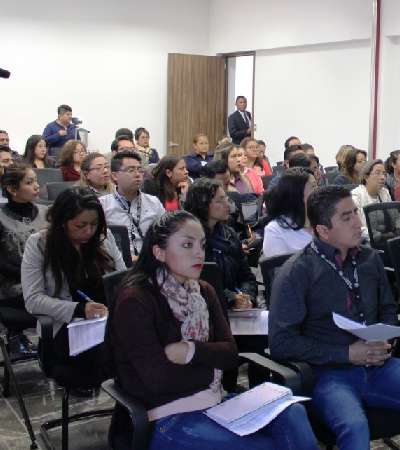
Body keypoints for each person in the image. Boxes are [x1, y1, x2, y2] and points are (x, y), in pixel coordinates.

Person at [269, 185, 400, 450]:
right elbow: (281, 342)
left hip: (380, 365)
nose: (358, 222)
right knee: (355, 427)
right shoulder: (297, 272)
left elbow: (388, 308)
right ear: (323, 231)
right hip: (330, 374)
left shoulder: (369, 258)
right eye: (346, 217)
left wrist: (384, 337)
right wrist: (346, 354)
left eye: (355, 212)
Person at [108, 211, 318, 450]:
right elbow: (157, 380)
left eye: (202, 244)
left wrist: (191, 352)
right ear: (159, 252)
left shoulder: (204, 291)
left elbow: (229, 355)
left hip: (217, 401)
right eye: (188, 244)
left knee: (293, 413)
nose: (199, 252)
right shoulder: (136, 300)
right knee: (265, 446)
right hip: (167, 415)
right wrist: (210, 367)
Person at [22, 187, 126, 387]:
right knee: (119, 354)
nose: (88, 231)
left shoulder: (104, 238)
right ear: (62, 222)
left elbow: (122, 280)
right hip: (66, 329)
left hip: (107, 322)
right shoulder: (39, 245)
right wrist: (78, 309)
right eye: (80, 225)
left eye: (94, 224)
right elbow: (33, 300)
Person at [185, 179, 257, 310]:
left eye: (226, 199)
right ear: (202, 205)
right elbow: (195, 284)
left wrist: (247, 297)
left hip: (235, 308)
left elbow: (247, 276)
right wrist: (231, 299)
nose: (227, 205)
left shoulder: (229, 234)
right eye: (219, 201)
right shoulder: (189, 240)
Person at [0, 164, 47, 357]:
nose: (36, 186)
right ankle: (15, 335)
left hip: (46, 277)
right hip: (12, 283)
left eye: (36, 180)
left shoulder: (46, 212)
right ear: (12, 189)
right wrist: (31, 274)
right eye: (29, 182)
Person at [100, 151, 165, 258]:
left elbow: (166, 234)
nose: (137, 174)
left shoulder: (154, 202)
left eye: (139, 170)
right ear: (115, 176)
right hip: (118, 265)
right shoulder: (103, 205)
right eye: (131, 170)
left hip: (150, 262)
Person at [261, 168, 316, 258]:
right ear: (297, 194)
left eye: (317, 186)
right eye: (313, 187)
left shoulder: (322, 217)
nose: (318, 191)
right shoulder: (275, 230)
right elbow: (277, 270)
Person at [350, 159, 392, 241]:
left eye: (384, 174)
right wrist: (380, 235)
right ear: (366, 177)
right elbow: (357, 228)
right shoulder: (356, 196)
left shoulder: (385, 193)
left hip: (386, 238)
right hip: (365, 241)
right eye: (378, 173)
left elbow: (393, 217)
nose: (383, 177)